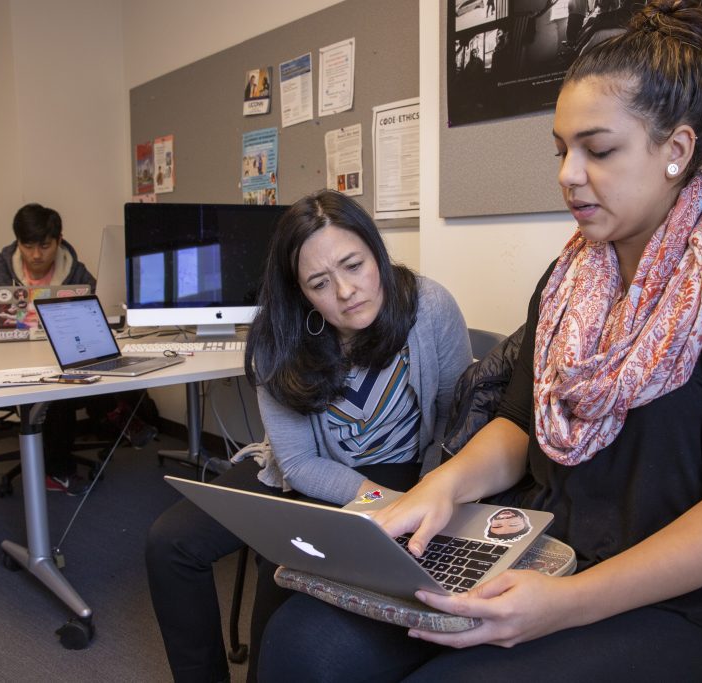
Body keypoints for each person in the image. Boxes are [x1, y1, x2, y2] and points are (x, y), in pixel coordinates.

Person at [258, 2, 702, 681]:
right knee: (304, 640)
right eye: (562, 149)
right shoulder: (569, 281)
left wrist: (564, 604)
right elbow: (517, 424)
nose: (567, 172)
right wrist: (442, 486)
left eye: (598, 149)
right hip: (557, 551)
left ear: (676, 150)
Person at [145, 190, 472, 683]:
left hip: (405, 467)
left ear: (376, 252)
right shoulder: (278, 340)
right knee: (169, 543)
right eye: (320, 283)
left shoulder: (429, 307)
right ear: (299, 291)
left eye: (354, 265)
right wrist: (374, 500)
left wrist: (422, 494)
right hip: (306, 469)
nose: (345, 292)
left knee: (288, 584)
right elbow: (296, 464)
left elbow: (454, 422)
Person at [0, 203, 157, 495]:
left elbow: (98, 312)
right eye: (28, 246)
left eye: (44, 246)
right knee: (59, 386)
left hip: (65, 354)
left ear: (58, 240)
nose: (36, 255)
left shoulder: (75, 271)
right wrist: (20, 329)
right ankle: (70, 460)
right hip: (13, 358)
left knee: (103, 361)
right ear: (17, 242)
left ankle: (117, 415)